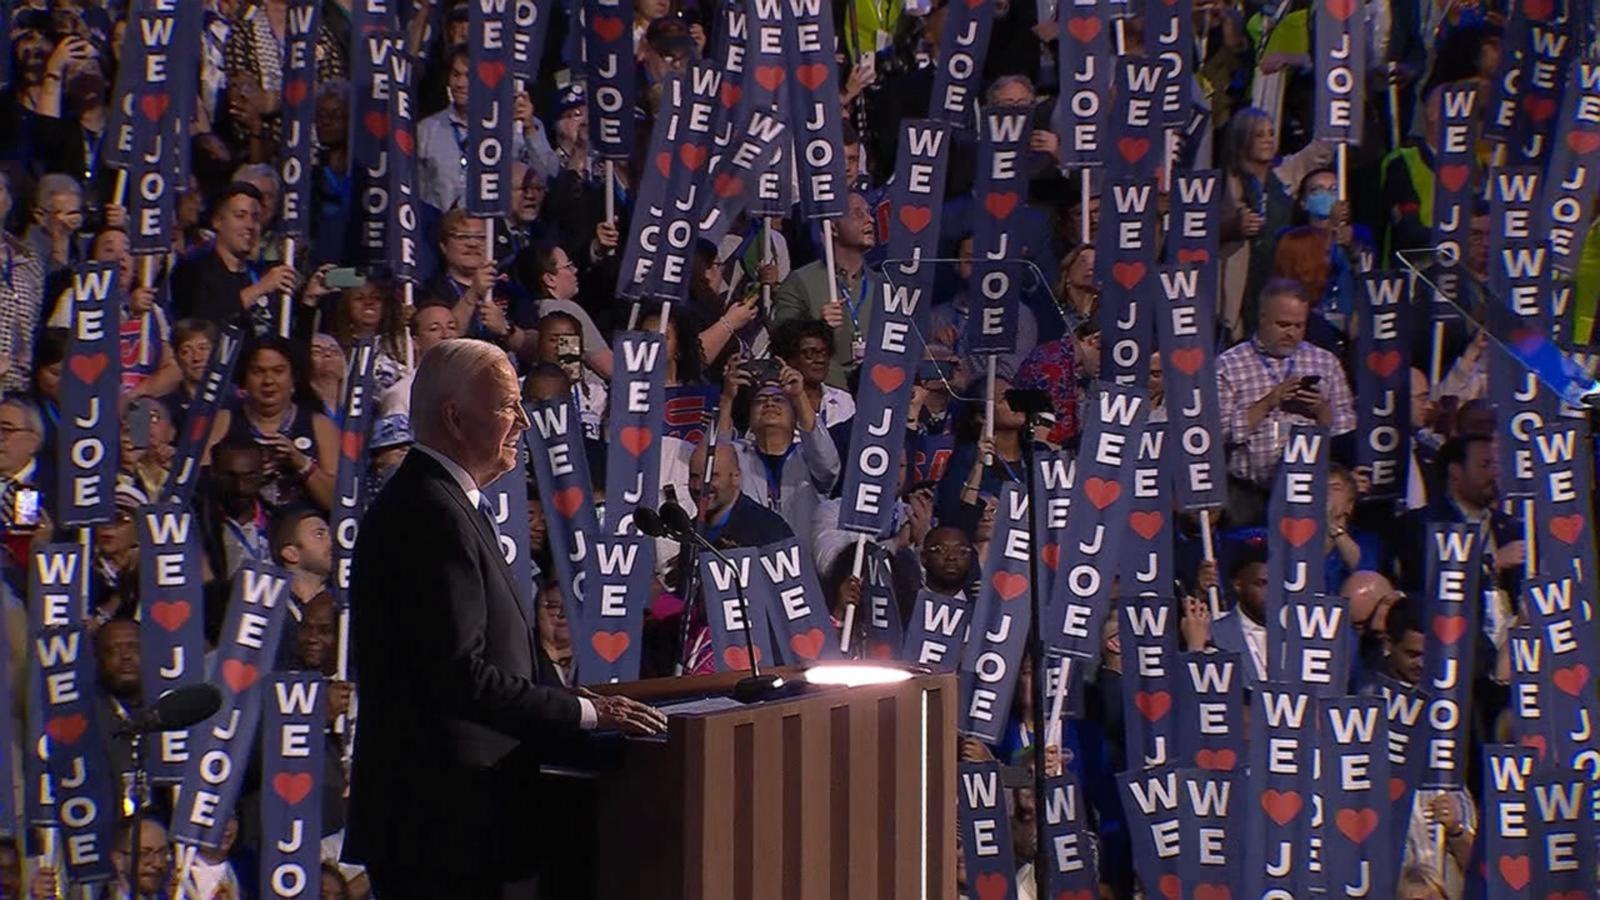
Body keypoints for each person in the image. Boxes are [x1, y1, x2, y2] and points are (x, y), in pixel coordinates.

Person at [345, 339, 665, 898]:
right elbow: (460, 676)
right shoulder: (428, 514)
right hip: (440, 825)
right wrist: (589, 713)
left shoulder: (445, 502)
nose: (521, 421)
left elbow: (498, 653)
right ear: (454, 416)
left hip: (466, 819)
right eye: (506, 406)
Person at [1215, 279, 1356, 521]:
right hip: (1247, 494)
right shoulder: (1229, 364)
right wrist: (1270, 401)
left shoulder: (1325, 362)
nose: (1291, 333)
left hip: (1306, 490)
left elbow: (1347, 428)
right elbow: (1219, 431)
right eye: (1283, 325)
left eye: (1299, 326)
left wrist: (1321, 410)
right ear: (1262, 318)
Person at [204, 339, 340, 512]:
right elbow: (202, 486)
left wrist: (301, 463)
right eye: (258, 371)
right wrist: (247, 473)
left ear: (294, 378)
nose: (268, 380)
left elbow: (338, 503)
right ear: (245, 379)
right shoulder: (223, 420)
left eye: (278, 371)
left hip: (302, 528)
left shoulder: (320, 425)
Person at [770, 190, 878, 387]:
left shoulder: (883, 286)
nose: (870, 219)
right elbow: (782, 344)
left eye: (869, 212)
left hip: (873, 392)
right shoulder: (799, 282)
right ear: (833, 228)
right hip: (822, 394)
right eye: (858, 213)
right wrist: (819, 326)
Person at [169, 181, 302, 334]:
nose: (250, 225)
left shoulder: (261, 274)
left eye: (256, 218)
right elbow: (204, 323)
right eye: (240, 216)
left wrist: (309, 302)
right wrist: (259, 289)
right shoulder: (192, 268)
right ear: (217, 221)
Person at [1209, 543, 1269, 688]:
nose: (1271, 592)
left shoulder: (1297, 634)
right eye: (1262, 584)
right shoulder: (1214, 635)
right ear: (1238, 585)